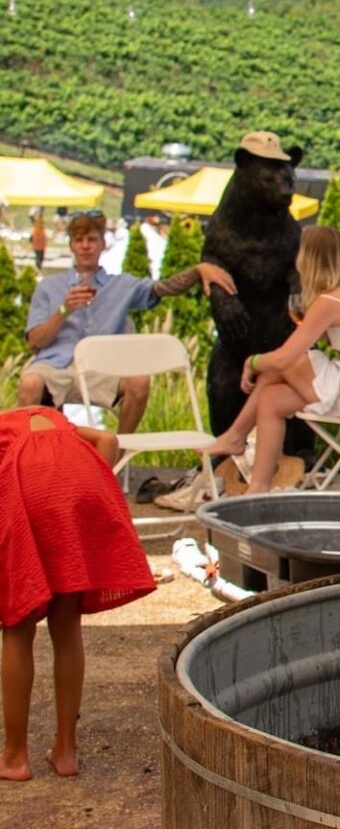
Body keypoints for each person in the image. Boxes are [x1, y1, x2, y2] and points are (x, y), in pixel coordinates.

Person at [0, 407, 156, 781]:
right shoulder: (52, 420)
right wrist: (89, 493)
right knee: (66, 624)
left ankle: (15, 758)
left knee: (18, 625)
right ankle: (66, 751)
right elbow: (109, 439)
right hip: (77, 486)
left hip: (27, 488)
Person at [203, 225, 340, 493]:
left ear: (307, 258)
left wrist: (252, 362)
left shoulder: (330, 300)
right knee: (271, 399)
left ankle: (236, 436)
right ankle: (257, 487)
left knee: (288, 362)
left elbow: (284, 359)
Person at [19, 210, 236, 434]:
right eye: (79, 240)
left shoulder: (121, 285)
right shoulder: (48, 286)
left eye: (92, 239)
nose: (86, 246)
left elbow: (163, 288)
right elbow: (35, 342)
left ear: (103, 244)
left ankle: (116, 458)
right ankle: (34, 458)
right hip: (55, 368)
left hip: (101, 370)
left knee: (139, 382)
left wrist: (197, 271)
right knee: (30, 383)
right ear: (72, 246)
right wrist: (64, 310)